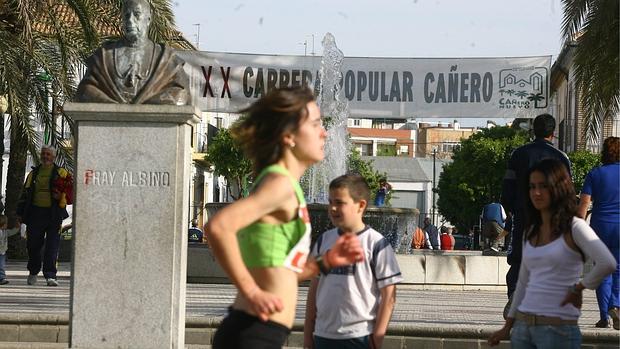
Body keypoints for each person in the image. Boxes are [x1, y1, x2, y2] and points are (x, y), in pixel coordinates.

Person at [204, 86, 365, 349]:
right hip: (253, 332)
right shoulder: (280, 184)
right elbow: (218, 226)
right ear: (289, 136)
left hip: (259, 331)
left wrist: (325, 263)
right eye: (315, 124)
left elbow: (280, 272)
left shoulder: (283, 184)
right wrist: (251, 291)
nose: (324, 132)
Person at [488, 159, 615, 348]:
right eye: (532, 187)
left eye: (543, 186)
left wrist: (579, 288)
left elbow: (607, 262)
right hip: (524, 329)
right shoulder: (531, 230)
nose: (536, 193)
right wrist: (508, 326)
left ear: (558, 188)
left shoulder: (574, 227)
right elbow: (524, 282)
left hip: (557, 330)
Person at [304, 174, 402, 349]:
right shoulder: (324, 240)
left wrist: (376, 340)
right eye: (330, 201)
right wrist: (308, 337)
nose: (332, 208)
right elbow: (314, 290)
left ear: (361, 205)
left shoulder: (377, 244)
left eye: (339, 202)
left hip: (359, 337)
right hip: (323, 335)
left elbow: (389, 297)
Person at [501, 113, 572, 308]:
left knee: (519, 257)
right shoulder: (561, 158)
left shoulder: (518, 154)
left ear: (534, 131)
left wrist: (510, 208)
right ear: (553, 133)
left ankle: (515, 293)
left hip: (523, 214)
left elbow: (508, 185)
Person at [75, 0, 190, 105]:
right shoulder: (103, 57)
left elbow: (182, 94)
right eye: (126, 15)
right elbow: (84, 92)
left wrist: (149, 103)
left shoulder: (166, 59)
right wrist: (112, 104)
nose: (130, 20)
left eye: (136, 15)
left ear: (148, 19)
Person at [577, 136, 620, 330]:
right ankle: (616, 306)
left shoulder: (595, 174)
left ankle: (605, 316)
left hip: (600, 226)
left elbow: (584, 203)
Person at [17, 146, 72, 287]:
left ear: (53, 157)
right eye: (43, 154)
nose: (45, 156)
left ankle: (50, 275)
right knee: (33, 245)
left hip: (53, 214)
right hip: (35, 214)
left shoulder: (61, 172)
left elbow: (71, 193)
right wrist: (19, 214)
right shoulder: (33, 173)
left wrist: (61, 196)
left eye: (48, 154)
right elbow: (24, 194)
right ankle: (33, 271)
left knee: (52, 246)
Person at [0, 215, 20, 285]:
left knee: (1, 265)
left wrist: (17, 227)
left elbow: (12, 232)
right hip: (2, 251)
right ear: (3, 224)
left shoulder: (5, 232)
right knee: (1, 265)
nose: (7, 225)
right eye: (6, 224)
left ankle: (1, 278)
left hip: (2, 252)